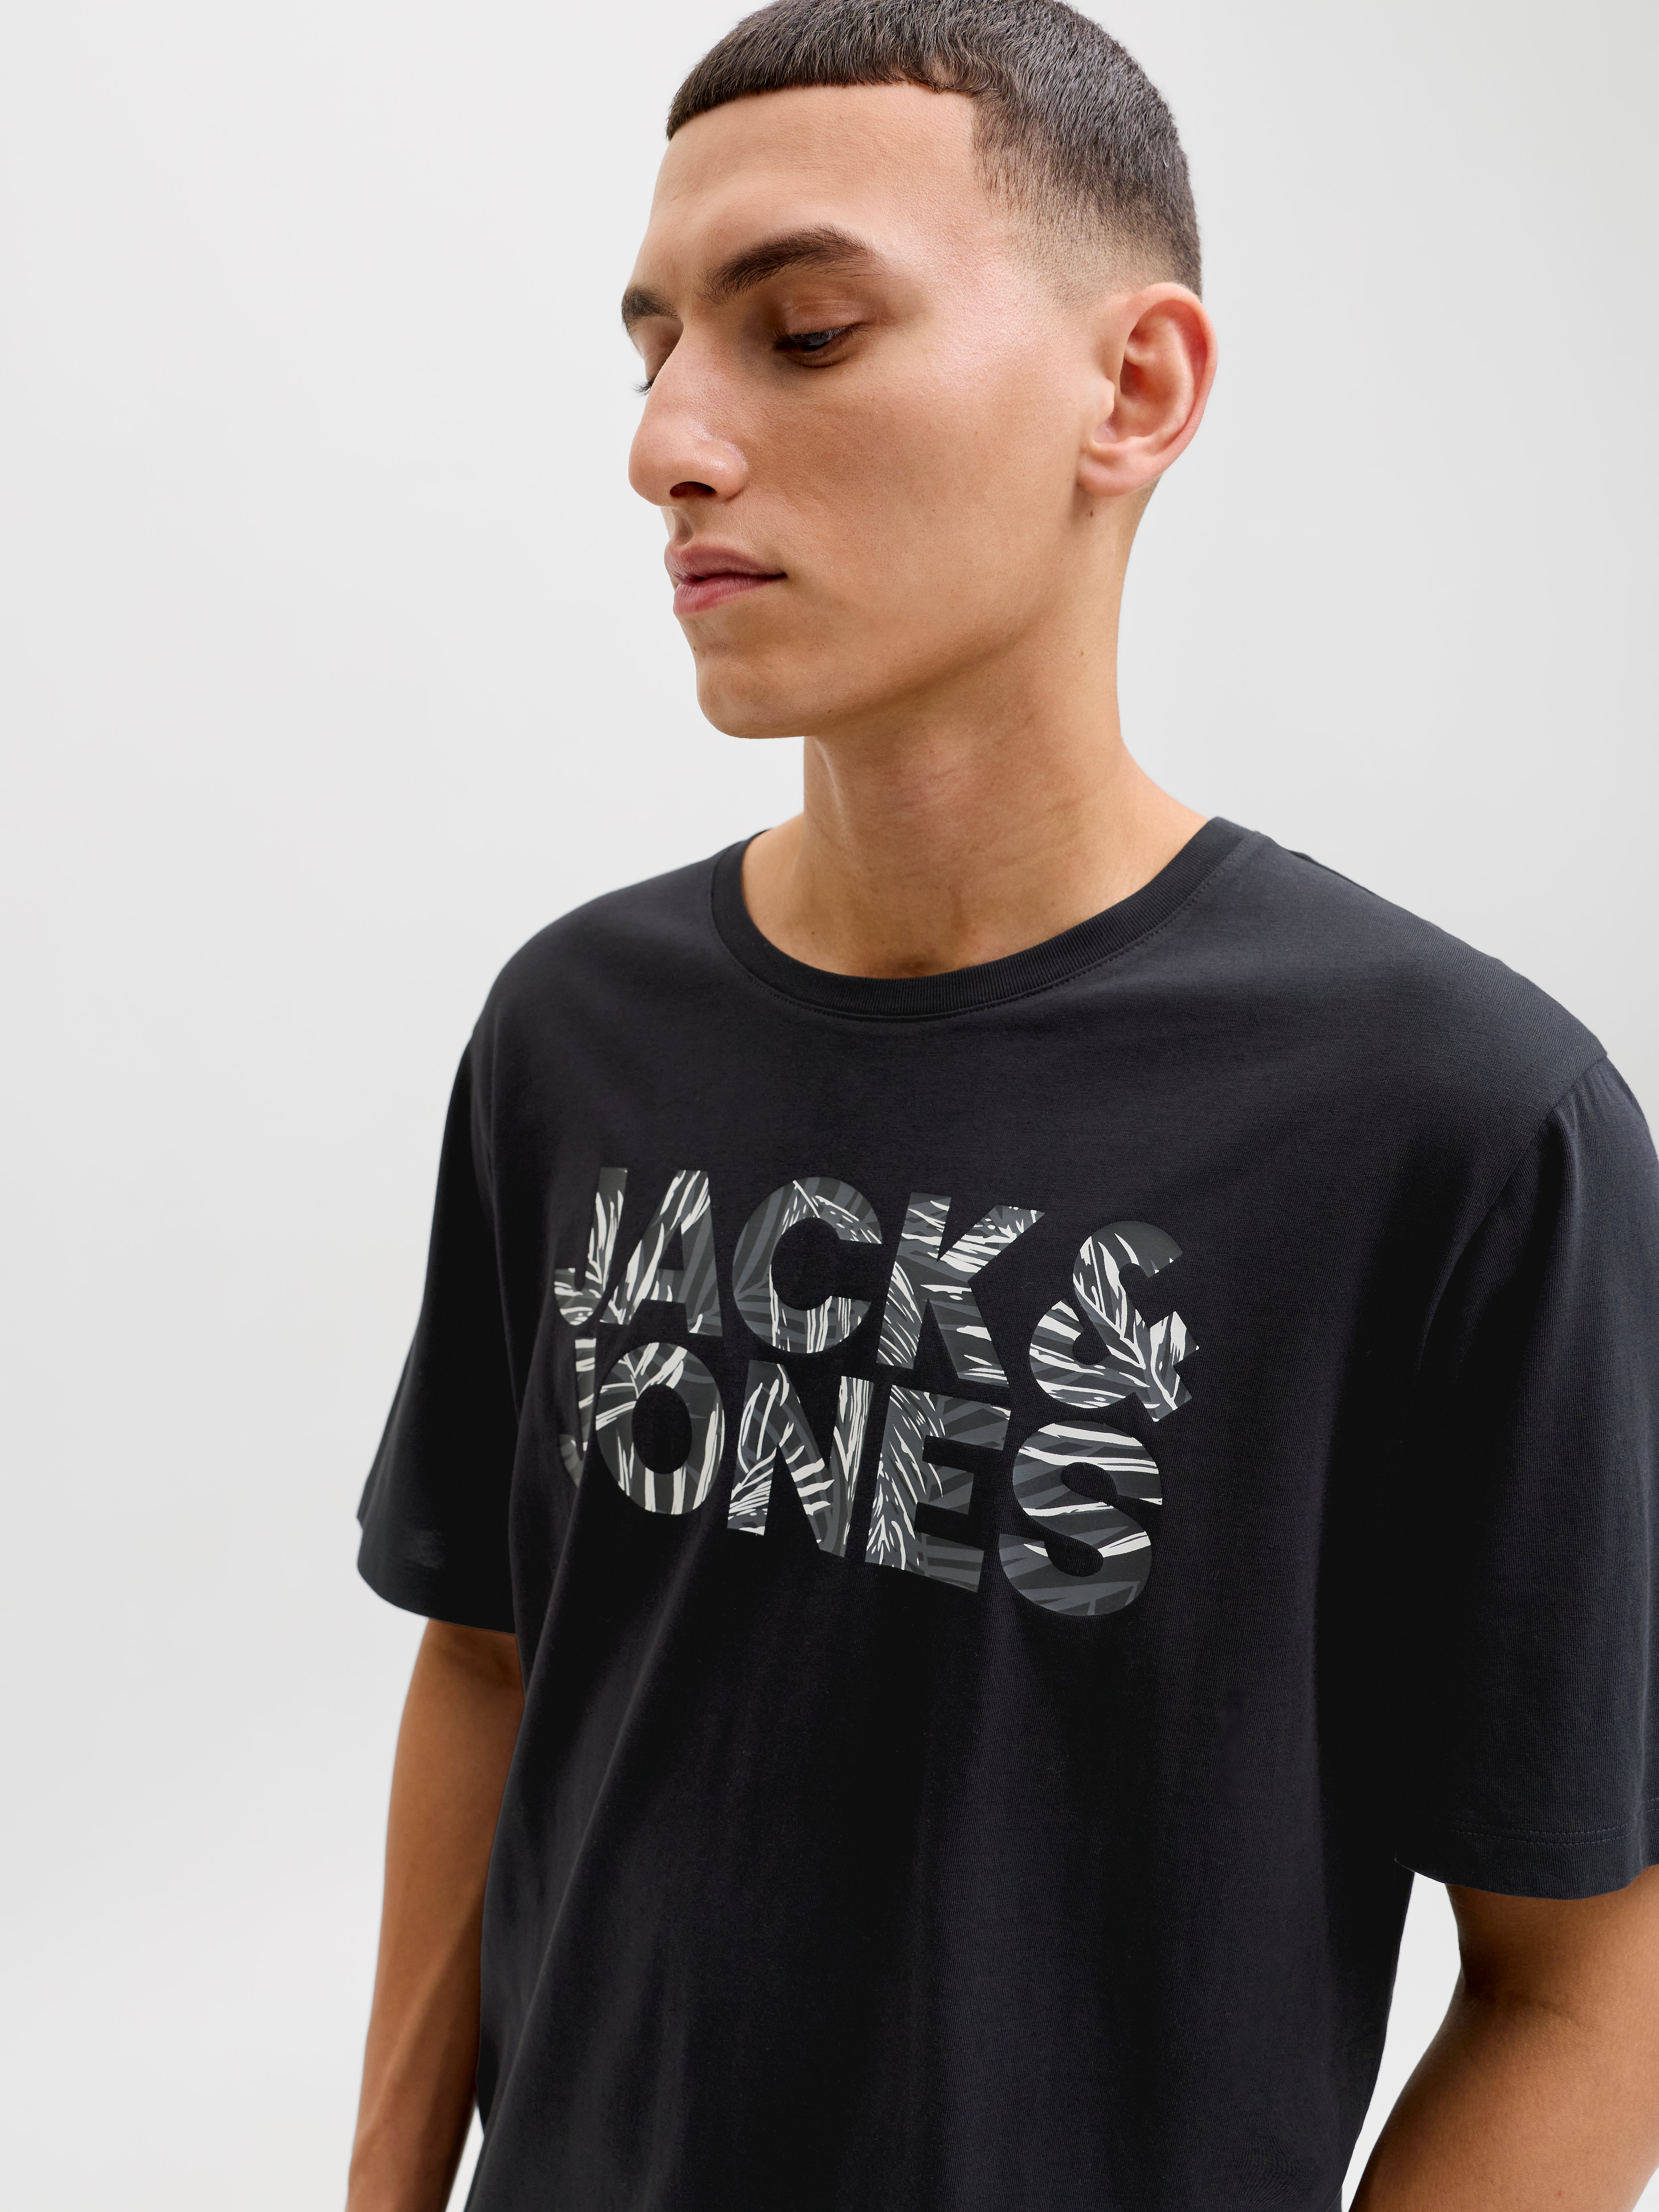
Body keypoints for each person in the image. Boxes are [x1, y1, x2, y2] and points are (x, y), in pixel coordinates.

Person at [344, 3, 1659, 2207]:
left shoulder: (1462, 1127)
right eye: (652, 349)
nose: (668, 444)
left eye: (806, 332)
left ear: (1132, 391)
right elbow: (483, 1655)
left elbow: (1590, 1973)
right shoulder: (575, 1030)